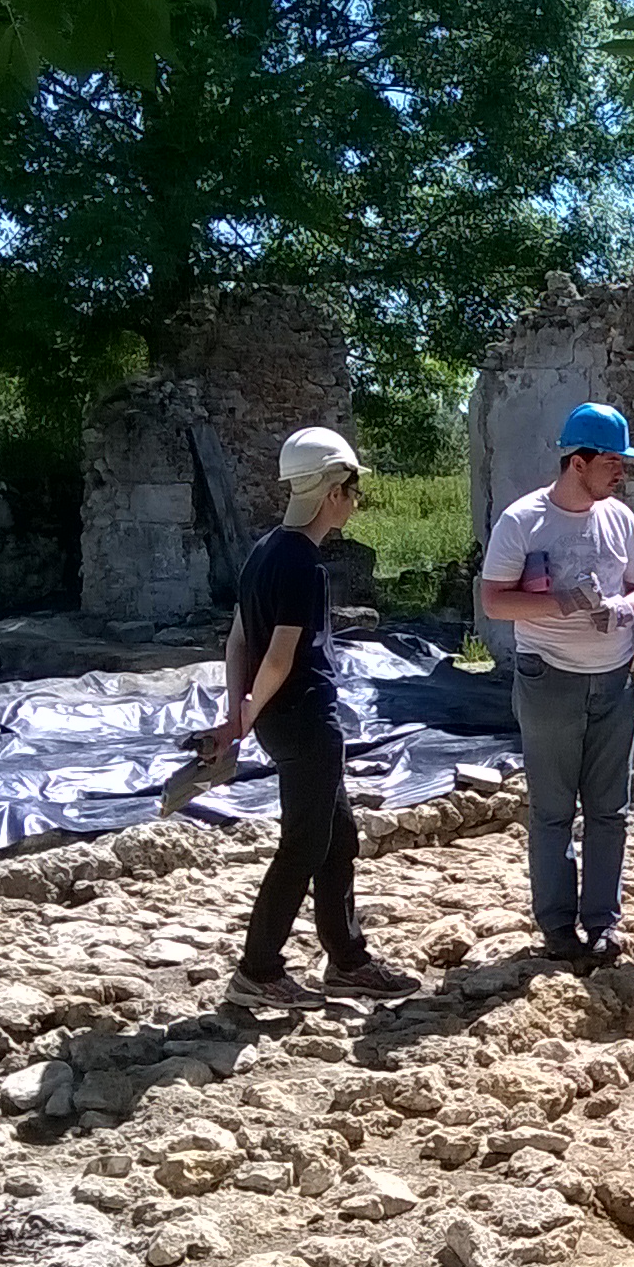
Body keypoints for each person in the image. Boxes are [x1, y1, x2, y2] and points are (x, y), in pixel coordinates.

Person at [216, 427, 421, 1010]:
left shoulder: (262, 553)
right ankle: (258, 969)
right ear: (333, 490)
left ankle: (348, 959)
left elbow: (237, 639)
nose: (355, 501)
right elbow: (279, 653)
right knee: (304, 846)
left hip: (284, 720)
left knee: (338, 839)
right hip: (305, 719)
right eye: (352, 488)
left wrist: (240, 713)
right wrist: (246, 712)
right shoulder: (306, 565)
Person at [476, 402, 634, 965]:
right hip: (549, 678)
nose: (621, 471)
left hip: (616, 680)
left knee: (610, 809)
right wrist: (558, 602)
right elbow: (494, 601)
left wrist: (624, 610)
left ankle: (602, 922)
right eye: (612, 461)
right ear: (577, 462)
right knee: (553, 810)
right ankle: (556, 926)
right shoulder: (522, 520)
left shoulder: (620, 518)